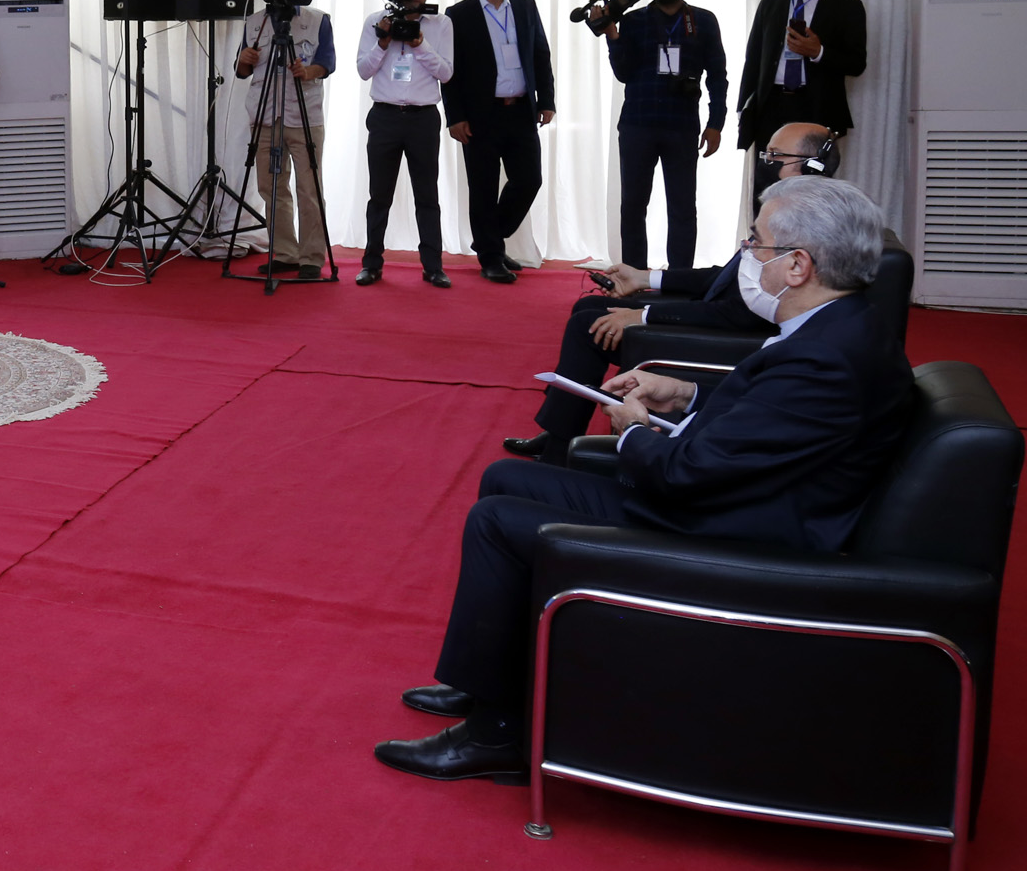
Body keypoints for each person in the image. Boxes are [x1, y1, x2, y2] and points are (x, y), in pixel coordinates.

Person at [376, 175, 913, 783]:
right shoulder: (842, 328)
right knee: (507, 479)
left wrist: (631, 430)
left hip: (734, 535)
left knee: (496, 520)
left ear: (797, 265)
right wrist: (684, 393)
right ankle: (488, 681)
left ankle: (496, 734)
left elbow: (687, 475)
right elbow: (768, 421)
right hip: (737, 500)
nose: (747, 254)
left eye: (756, 244)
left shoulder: (825, 356)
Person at [501, 121, 838, 463]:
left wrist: (643, 315)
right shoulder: (788, 208)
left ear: (812, 165)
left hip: (729, 339)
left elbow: (739, 313)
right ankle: (560, 433)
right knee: (588, 308)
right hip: (716, 319)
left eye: (776, 156)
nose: (766, 162)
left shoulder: (805, 224)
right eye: (766, 154)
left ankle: (559, 448)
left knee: (586, 326)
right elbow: (725, 277)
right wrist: (646, 278)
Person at [600, 0, 728, 271]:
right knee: (633, 205)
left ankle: (679, 278)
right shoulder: (634, 20)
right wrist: (612, 35)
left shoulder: (703, 21)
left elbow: (717, 75)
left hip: (681, 125)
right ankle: (633, 275)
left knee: (683, 206)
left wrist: (716, 123)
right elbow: (623, 73)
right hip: (637, 123)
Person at [444, 0, 555, 283]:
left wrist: (547, 100)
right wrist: (455, 117)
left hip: (521, 110)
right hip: (481, 115)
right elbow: (451, 71)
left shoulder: (525, 6)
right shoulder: (458, 14)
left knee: (529, 179)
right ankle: (491, 257)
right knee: (483, 186)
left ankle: (488, 238)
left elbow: (541, 54)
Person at [735, 0, 866, 200]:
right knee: (766, 184)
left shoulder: (847, 5)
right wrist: (744, 108)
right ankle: (766, 229)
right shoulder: (771, 1)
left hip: (816, 106)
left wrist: (818, 52)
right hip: (771, 106)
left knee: (812, 187)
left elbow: (856, 63)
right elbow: (753, 58)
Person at [235, 0, 336, 279]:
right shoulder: (255, 21)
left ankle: (311, 257)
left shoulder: (317, 20)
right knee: (271, 187)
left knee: (309, 188)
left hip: (303, 114)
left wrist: (308, 71)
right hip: (264, 115)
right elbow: (241, 71)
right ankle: (285, 252)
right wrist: (244, 58)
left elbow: (327, 63)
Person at [354, 0, 454, 288]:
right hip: (384, 116)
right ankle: (371, 264)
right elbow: (363, 70)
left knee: (427, 196)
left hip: (423, 118)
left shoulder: (441, 23)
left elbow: (446, 73)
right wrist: (383, 42)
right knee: (379, 195)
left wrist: (419, 43)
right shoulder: (376, 21)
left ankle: (433, 266)